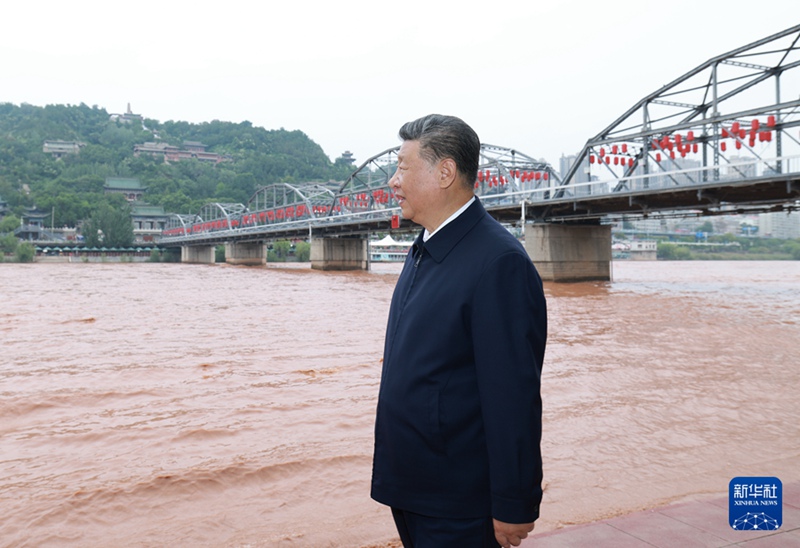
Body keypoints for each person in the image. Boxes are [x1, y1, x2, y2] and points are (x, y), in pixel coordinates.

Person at [371, 114, 547, 548]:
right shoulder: (425, 248)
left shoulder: (497, 262)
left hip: (457, 500)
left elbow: (512, 395)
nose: (393, 182)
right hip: (413, 485)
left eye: (402, 168)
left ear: (444, 172)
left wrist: (513, 502)